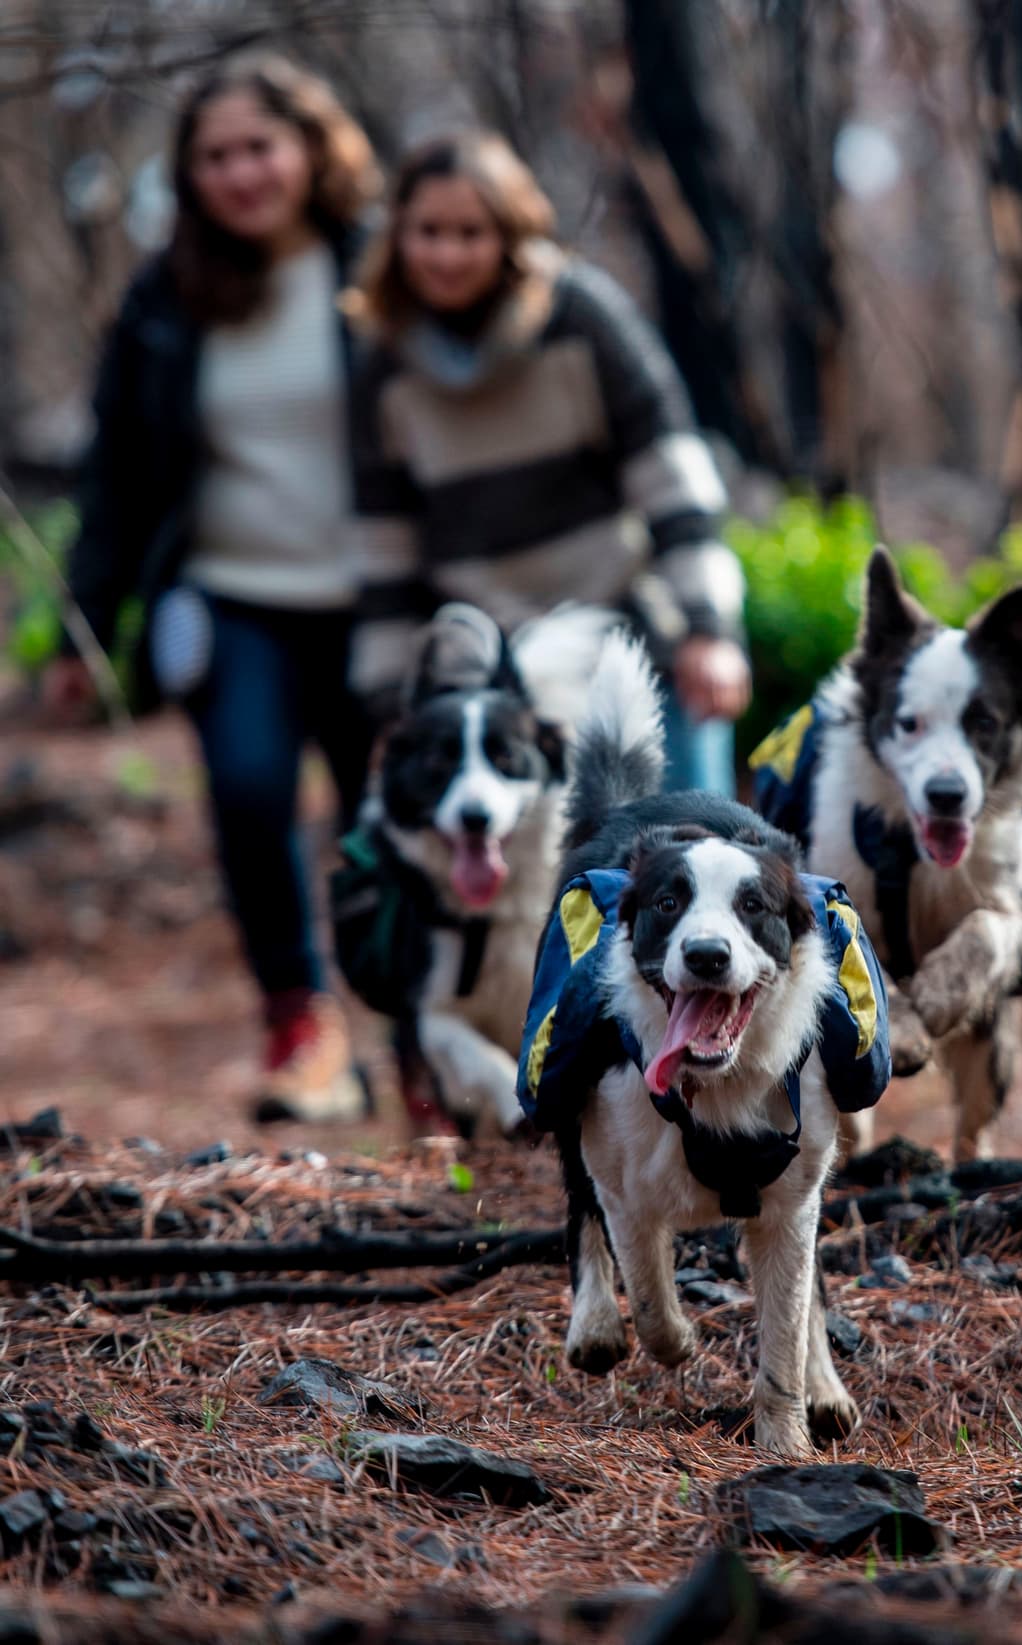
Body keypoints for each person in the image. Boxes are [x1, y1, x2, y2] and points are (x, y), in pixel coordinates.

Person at [45, 55, 391, 1124]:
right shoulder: (166, 298)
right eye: (215, 157)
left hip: (381, 601)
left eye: (259, 147)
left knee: (391, 824)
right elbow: (118, 474)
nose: (241, 172)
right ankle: (302, 1026)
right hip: (234, 599)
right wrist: (80, 625)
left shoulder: (383, 264)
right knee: (248, 792)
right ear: (190, 178)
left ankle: (426, 1040)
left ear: (309, 149)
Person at [348, 131, 751, 794]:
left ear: (508, 233)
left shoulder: (581, 318)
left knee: (694, 835)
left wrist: (711, 630)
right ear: (398, 236)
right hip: (487, 671)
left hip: (626, 631)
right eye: (428, 231)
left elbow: (674, 482)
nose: (447, 253)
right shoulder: (382, 370)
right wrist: (392, 705)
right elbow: (384, 550)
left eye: (470, 231)